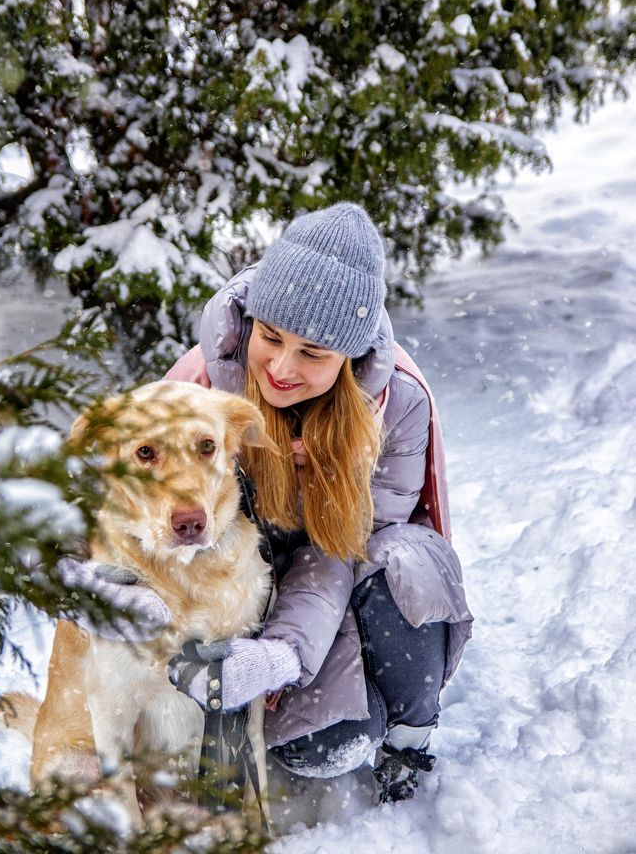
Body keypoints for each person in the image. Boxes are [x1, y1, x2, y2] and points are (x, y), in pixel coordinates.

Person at [160, 203, 473, 802]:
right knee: (322, 747)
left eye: (313, 353)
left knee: (405, 558)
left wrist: (283, 654)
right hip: (247, 590)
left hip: (351, 578)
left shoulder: (398, 404)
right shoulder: (198, 392)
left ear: (349, 358)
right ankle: (339, 708)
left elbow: (343, 550)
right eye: (270, 337)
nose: (281, 367)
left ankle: (406, 733)